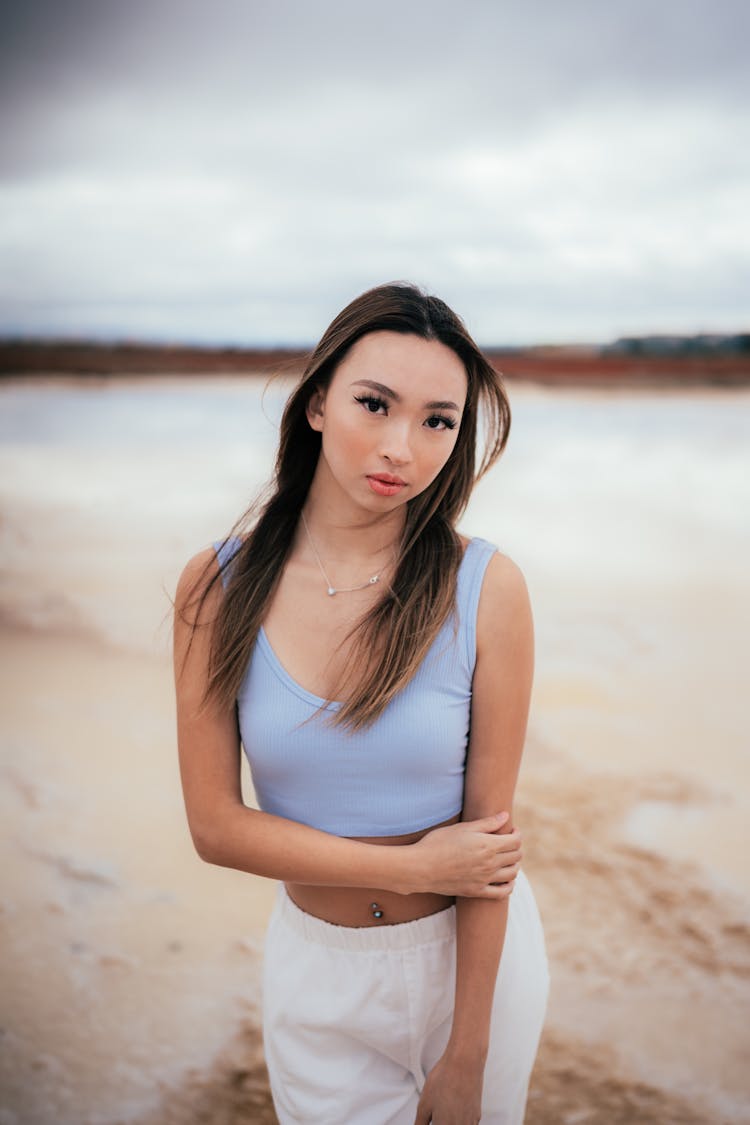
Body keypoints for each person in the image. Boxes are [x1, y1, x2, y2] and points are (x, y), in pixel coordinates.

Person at [173, 281, 550, 1124]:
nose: (400, 448)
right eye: (373, 404)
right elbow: (214, 826)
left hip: (472, 967)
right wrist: (411, 866)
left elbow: (488, 847)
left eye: (437, 421)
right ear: (315, 404)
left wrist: (469, 1056)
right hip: (319, 969)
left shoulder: (485, 587)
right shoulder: (219, 585)